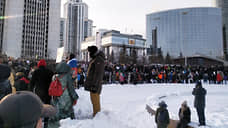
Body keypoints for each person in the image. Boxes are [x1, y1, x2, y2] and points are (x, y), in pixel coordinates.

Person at [48, 62, 79, 128]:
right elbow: (71, 89)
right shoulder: (67, 76)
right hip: (65, 99)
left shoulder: (54, 76)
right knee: (66, 115)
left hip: (55, 98)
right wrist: (75, 97)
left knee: (56, 114)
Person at [30, 59, 54, 127]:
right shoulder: (50, 72)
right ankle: (46, 122)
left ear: (39, 65)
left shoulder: (36, 72)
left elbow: (32, 83)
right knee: (47, 106)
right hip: (48, 92)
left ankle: (38, 122)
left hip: (39, 92)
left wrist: (30, 91)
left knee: (38, 107)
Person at [84, 45, 105, 117]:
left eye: (89, 52)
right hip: (93, 85)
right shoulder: (95, 59)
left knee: (95, 101)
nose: (89, 54)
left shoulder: (98, 60)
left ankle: (97, 116)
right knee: (93, 100)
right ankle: (96, 114)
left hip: (95, 86)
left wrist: (94, 85)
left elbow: (98, 74)